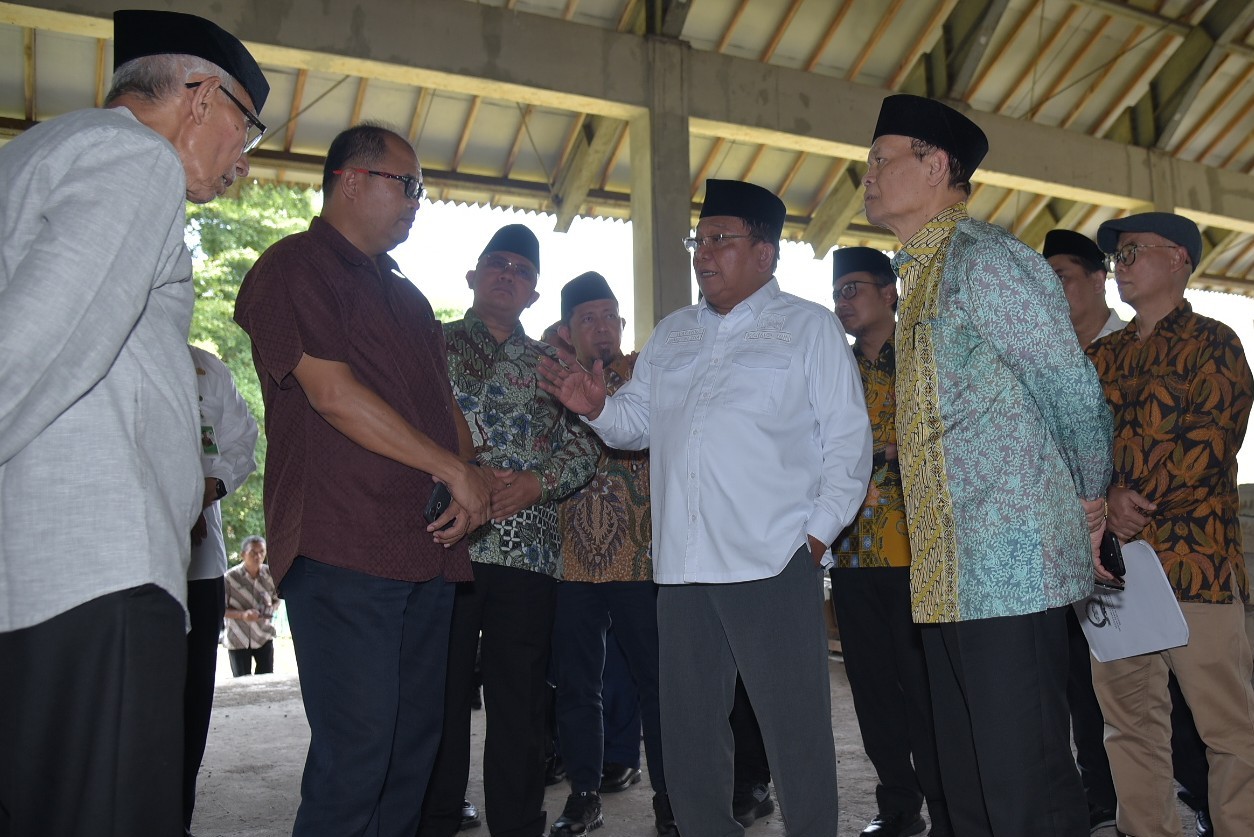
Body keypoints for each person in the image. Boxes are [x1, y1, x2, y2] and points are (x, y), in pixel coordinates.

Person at [0, 11, 268, 836]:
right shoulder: (134, 159)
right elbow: (37, 341)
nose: (242, 161)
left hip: (34, 574)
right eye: (248, 130)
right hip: (96, 573)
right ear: (201, 96)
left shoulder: (31, 155)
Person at [539, 178, 872, 837]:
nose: (704, 252)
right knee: (689, 734)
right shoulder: (674, 333)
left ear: (764, 253)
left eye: (721, 239)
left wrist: (813, 538)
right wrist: (597, 406)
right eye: (700, 239)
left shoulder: (808, 328)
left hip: (772, 560)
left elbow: (848, 442)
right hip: (684, 569)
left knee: (795, 731)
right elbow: (635, 424)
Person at [861, 94, 1113, 837]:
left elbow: (1072, 390)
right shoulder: (921, 276)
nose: (867, 175)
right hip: (947, 575)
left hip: (1010, 569)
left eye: (882, 159)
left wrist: (1090, 498)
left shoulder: (985, 261)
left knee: (1023, 790)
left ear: (936, 166)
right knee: (968, 788)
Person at [234, 123, 492, 837]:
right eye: (406, 184)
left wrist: (470, 477)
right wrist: (452, 469)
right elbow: (332, 394)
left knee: (412, 752)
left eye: (421, 190)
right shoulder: (294, 266)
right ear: (351, 179)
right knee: (358, 754)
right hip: (343, 544)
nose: (416, 202)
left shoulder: (408, 298)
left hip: (426, 549)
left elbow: (443, 409)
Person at [419, 226, 599, 837]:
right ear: (473, 276)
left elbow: (586, 447)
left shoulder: (556, 366)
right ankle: (438, 814)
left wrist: (536, 484)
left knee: (519, 695)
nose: (507, 275)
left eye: (521, 270)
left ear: (534, 293)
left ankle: (518, 823)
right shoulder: (429, 345)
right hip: (443, 540)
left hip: (528, 551)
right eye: (497, 264)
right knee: (438, 688)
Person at [1087, 211, 1254, 837]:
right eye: (1118, 257)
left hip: (1195, 565)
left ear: (1180, 258)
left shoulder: (1216, 343)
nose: (1121, 266)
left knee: (1228, 729)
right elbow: (1068, 444)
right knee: (1129, 727)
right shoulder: (1098, 356)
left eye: (1134, 252)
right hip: (1114, 570)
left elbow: (1210, 442)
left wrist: (1129, 503)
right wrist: (1104, 499)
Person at [546, 272, 673, 836]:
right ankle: (584, 796)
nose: (602, 328)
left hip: (641, 557)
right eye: (588, 319)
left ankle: (670, 801)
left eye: (610, 317)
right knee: (577, 685)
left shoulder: (648, 373)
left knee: (657, 683)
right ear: (566, 330)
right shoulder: (552, 383)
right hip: (571, 559)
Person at [830, 247, 951, 837]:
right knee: (871, 686)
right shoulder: (834, 369)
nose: (843, 302)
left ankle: (948, 803)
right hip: (851, 553)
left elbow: (944, 437)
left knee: (926, 688)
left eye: (853, 288)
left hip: (920, 553)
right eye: (838, 293)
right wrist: (885, 452)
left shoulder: (928, 358)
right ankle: (899, 804)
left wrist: (880, 454)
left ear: (889, 293)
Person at [1040, 229, 1122, 833]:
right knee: (1077, 681)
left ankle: (1198, 797)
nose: (1053, 291)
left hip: (1135, 538)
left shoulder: (1132, 348)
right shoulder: (1045, 360)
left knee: (1153, 684)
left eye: (1063, 277)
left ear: (1099, 279)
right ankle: (1100, 797)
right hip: (1063, 545)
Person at [185, 345, 259, 829]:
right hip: (124, 564)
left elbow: (242, 441)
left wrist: (208, 488)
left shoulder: (207, 368)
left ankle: (178, 816)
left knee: (192, 703)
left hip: (200, 567)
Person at [223, 535, 278, 676]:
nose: (258, 556)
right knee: (242, 683)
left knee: (266, 680)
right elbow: (219, 609)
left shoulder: (271, 575)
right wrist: (242, 615)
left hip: (263, 635)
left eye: (262, 552)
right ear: (243, 554)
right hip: (238, 638)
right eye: (253, 552)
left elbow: (277, 599)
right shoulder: (230, 578)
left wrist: (270, 609)